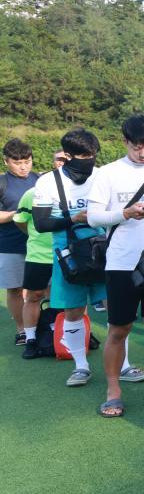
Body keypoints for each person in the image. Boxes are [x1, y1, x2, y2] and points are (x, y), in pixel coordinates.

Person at [87, 115, 144, 417]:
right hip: (121, 262)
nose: (143, 154)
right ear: (125, 141)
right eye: (138, 147)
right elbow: (94, 217)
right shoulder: (108, 173)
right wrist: (125, 213)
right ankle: (113, 390)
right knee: (119, 327)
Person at [32, 129, 108, 386]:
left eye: (93, 155)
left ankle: (124, 363)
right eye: (83, 155)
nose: (89, 160)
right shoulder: (47, 182)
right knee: (73, 310)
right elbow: (41, 223)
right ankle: (80, 366)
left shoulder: (103, 176)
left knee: (115, 306)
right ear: (67, 155)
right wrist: (73, 218)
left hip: (103, 249)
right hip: (68, 255)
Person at [14, 152, 65, 358]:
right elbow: (20, 220)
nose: (62, 164)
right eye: (59, 160)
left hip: (65, 254)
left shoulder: (75, 191)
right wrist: (34, 237)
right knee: (34, 297)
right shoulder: (32, 192)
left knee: (69, 299)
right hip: (38, 256)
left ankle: (74, 338)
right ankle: (31, 340)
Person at [1, 138, 38, 345]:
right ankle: (22, 329)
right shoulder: (2, 182)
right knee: (15, 288)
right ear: (6, 162)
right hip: (10, 245)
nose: (24, 166)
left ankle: (48, 324)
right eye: (17, 162)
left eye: (27, 161)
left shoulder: (41, 180)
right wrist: (19, 214)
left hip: (40, 245)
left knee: (45, 288)